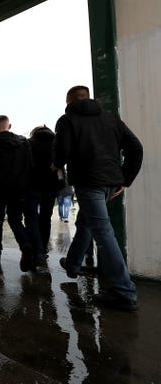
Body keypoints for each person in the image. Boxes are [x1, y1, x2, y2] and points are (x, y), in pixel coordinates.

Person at [54, 85, 143, 311]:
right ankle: (73, 264)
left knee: (103, 231)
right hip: (111, 181)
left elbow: (63, 151)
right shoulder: (111, 119)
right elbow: (135, 147)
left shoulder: (68, 119)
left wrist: (56, 162)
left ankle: (124, 292)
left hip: (88, 181)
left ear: (69, 102)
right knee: (86, 222)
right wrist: (125, 178)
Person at [0, 115, 35, 271]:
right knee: (15, 219)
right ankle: (25, 243)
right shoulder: (23, 142)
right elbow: (30, 165)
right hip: (18, 188)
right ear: (9, 126)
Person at [24, 125, 63, 260]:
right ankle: (43, 248)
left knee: (31, 217)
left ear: (34, 132)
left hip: (31, 184)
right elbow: (61, 164)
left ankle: (36, 247)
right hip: (50, 185)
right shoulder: (56, 143)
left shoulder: (28, 143)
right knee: (46, 217)